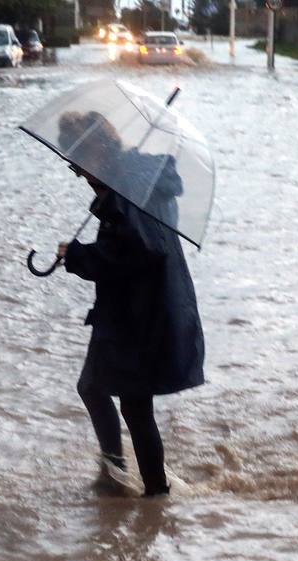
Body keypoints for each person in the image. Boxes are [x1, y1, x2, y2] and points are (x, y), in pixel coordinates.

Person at [56, 142, 204, 497]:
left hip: (142, 315)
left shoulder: (128, 192)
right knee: (99, 389)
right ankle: (121, 476)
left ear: (97, 154)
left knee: (134, 406)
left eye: (79, 164)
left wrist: (77, 255)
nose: (78, 173)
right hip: (136, 310)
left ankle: (153, 493)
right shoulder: (134, 184)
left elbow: (140, 251)